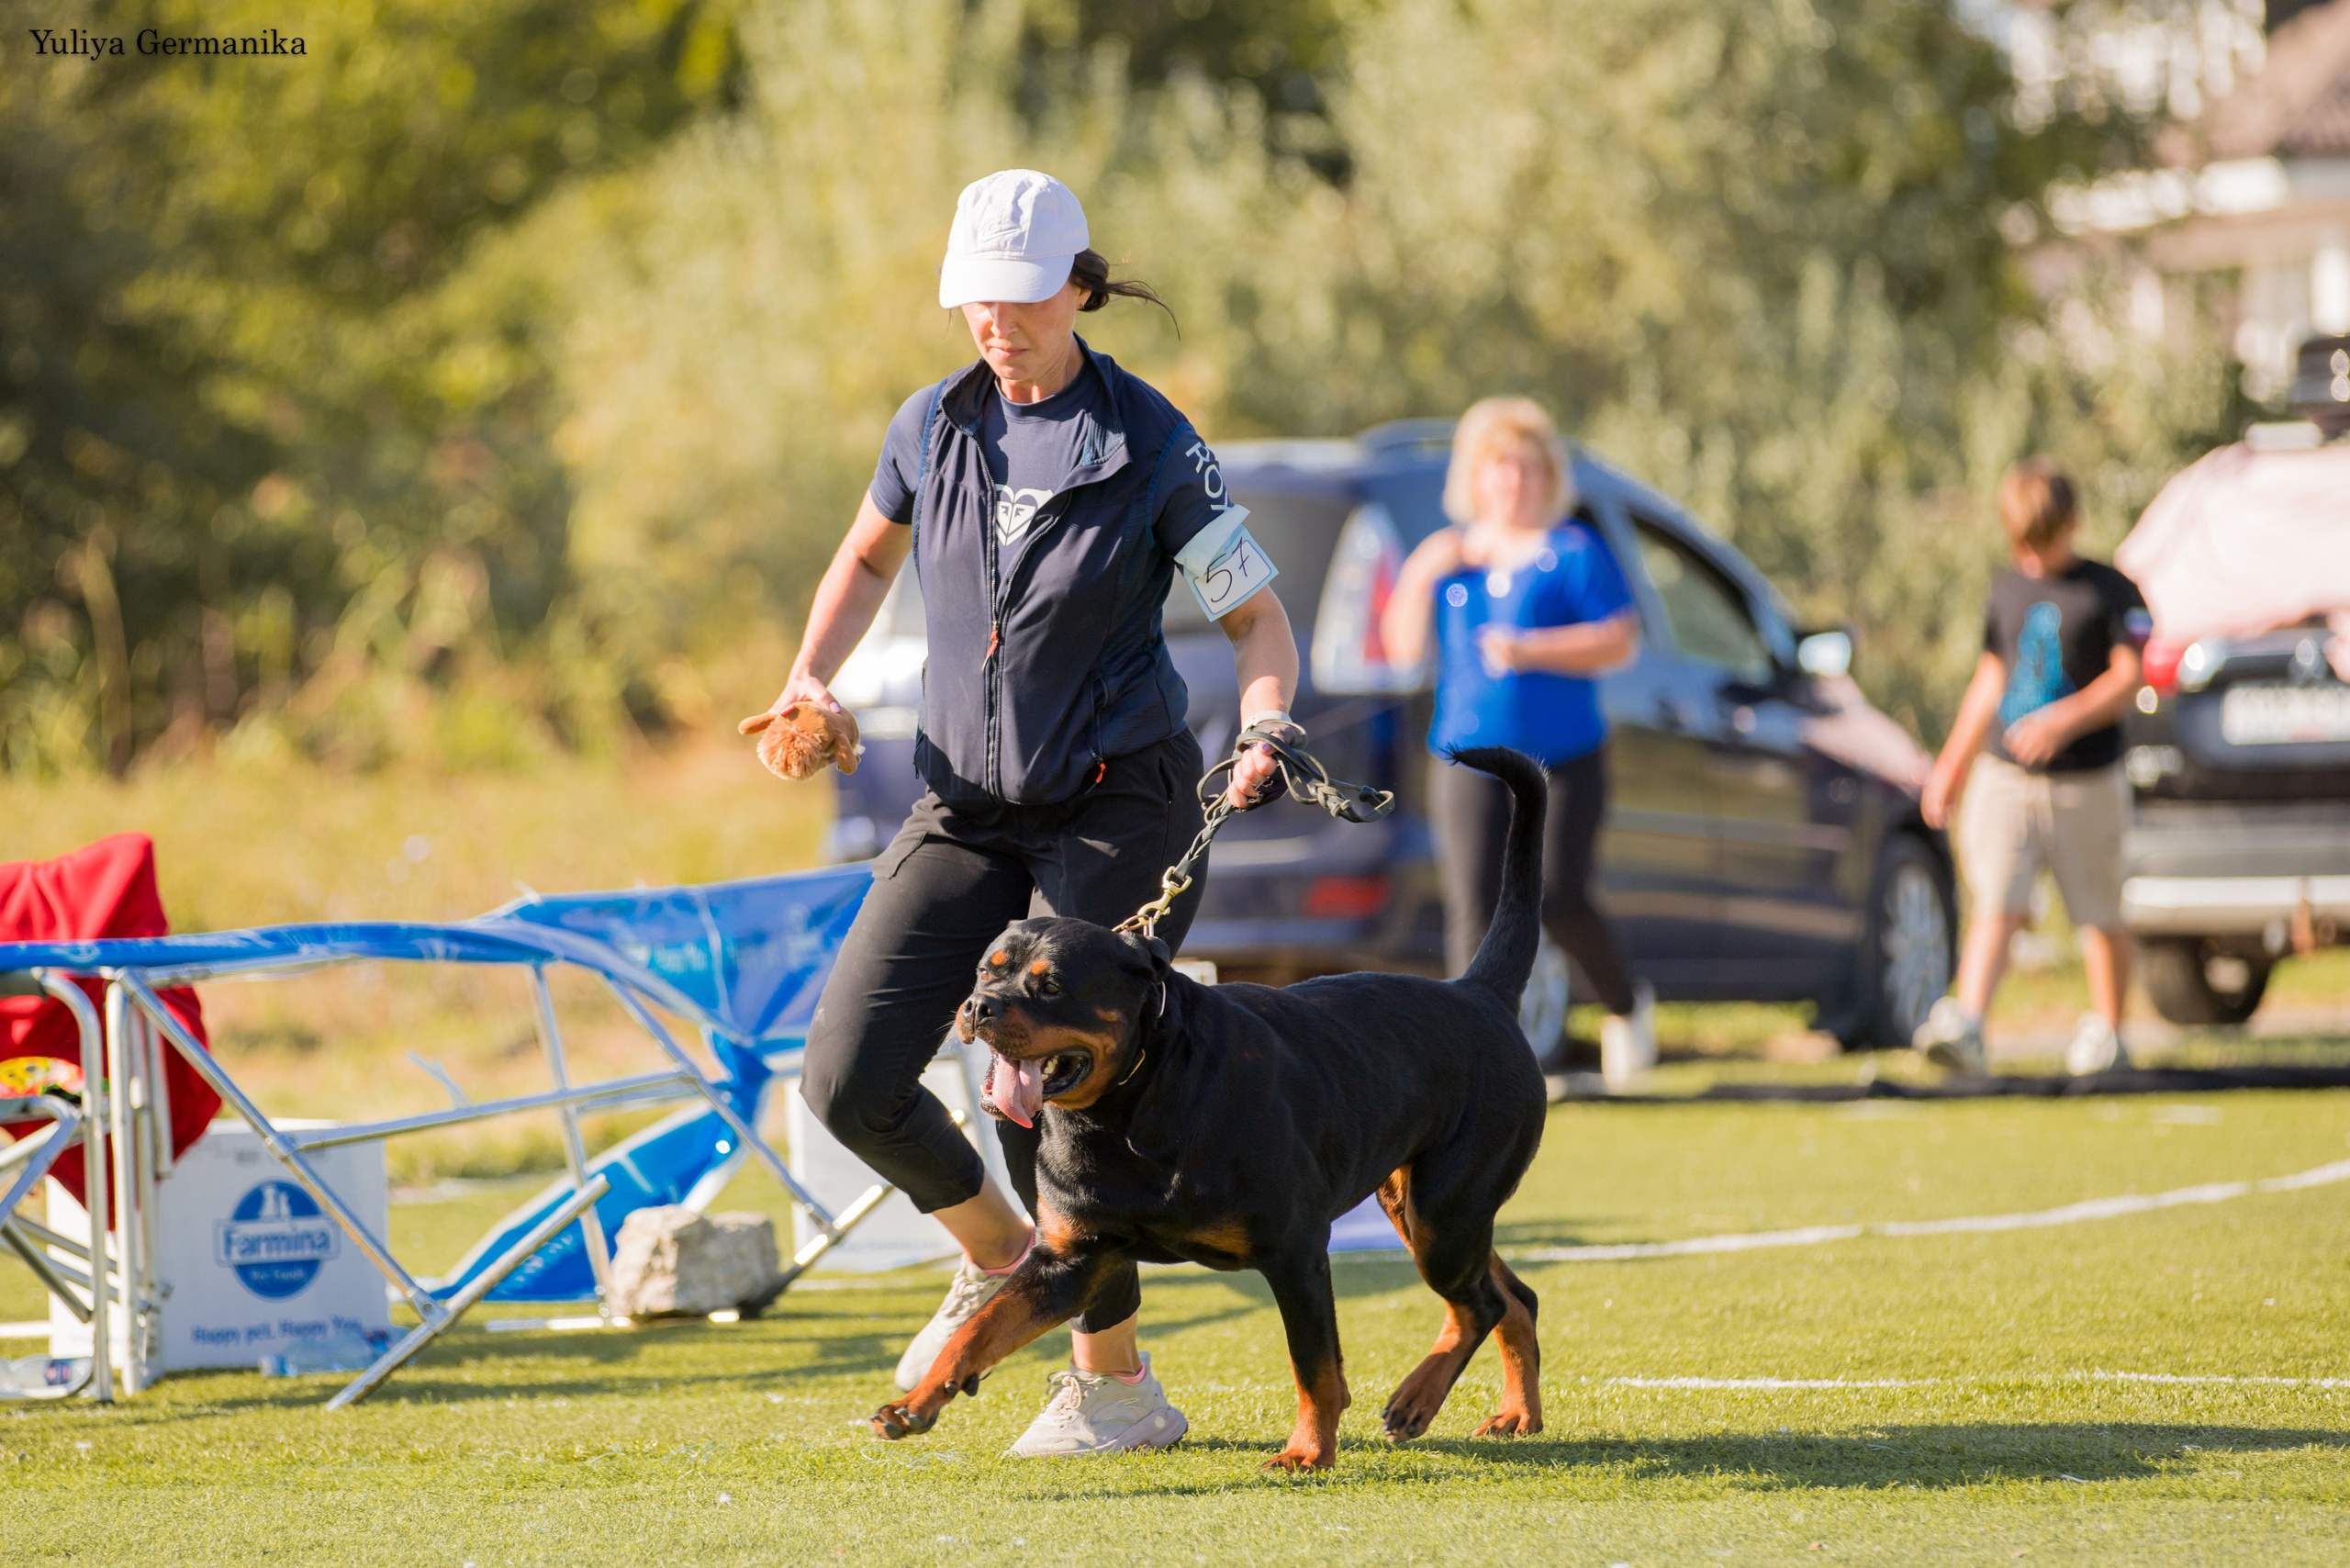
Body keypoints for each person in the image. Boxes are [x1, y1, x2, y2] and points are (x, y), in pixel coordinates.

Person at [744, 170, 1299, 1458]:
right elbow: (867, 557)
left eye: (1020, 298)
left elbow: (1257, 618)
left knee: (1065, 1095)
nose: (995, 322)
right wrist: (806, 673)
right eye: (974, 301)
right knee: (848, 1077)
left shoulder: (1152, 441)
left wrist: (1266, 719)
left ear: (1079, 288)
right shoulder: (929, 424)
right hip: (961, 801)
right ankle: (1001, 1259)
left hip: (1120, 804)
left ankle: (1115, 1393)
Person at [1381, 397, 1655, 1087]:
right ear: (1476, 476)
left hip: (1564, 760)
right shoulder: (1452, 560)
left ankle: (1625, 1002)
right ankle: (1478, 1067)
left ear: (1547, 476)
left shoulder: (1573, 551)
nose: (1512, 481)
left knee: (1559, 894)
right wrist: (1421, 569)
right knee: (1475, 908)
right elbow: (1400, 648)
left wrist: (1532, 649)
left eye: (1527, 468)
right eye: (1499, 467)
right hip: (1469, 760)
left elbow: (1620, 639)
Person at [1915, 458, 2149, 1077]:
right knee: (1998, 899)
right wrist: (1950, 766)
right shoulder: (2006, 589)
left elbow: (2131, 679)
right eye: (2022, 543)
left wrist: (2063, 721)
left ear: (2072, 523)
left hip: (2086, 779)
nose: (2033, 557)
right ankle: (1967, 1026)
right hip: (2006, 775)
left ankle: (2109, 1031)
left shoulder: (2111, 591)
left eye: (2043, 541)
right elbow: (1991, 677)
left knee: (2098, 911)